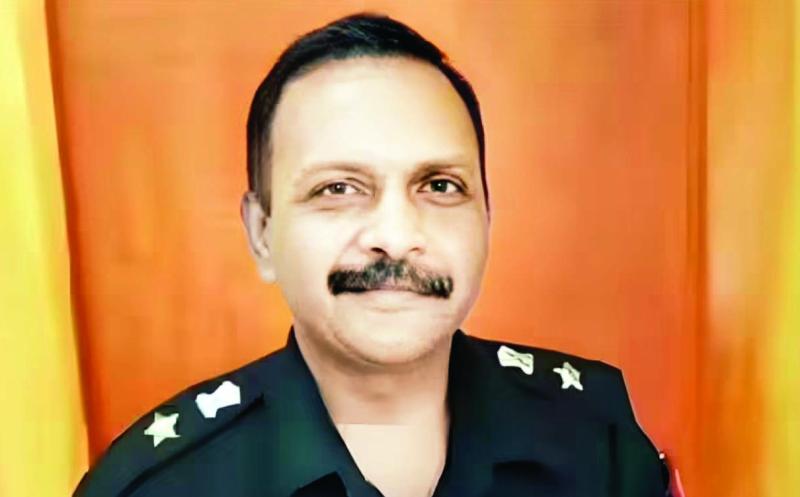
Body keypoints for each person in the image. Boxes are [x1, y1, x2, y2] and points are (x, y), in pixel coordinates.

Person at [74, 12, 672, 497]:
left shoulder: (600, 444)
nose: (396, 234)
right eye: (338, 188)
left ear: (487, 217)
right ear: (261, 234)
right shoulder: (158, 486)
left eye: (440, 185)